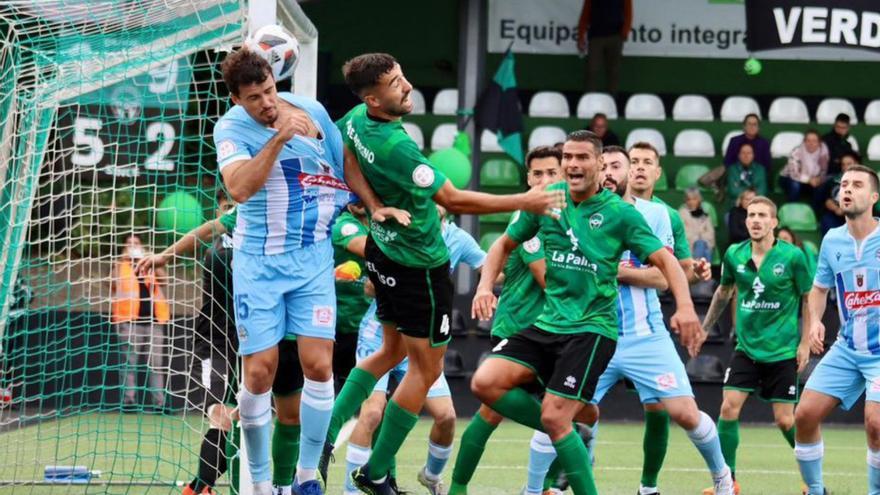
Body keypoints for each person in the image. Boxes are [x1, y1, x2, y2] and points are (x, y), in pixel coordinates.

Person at [325, 52, 562, 494]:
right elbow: (453, 200)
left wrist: (374, 207)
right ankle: (376, 471)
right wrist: (524, 201)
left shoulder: (356, 117)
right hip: (418, 266)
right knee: (426, 369)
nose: (407, 85)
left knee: (392, 350)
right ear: (374, 99)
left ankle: (326, 434)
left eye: (402, 75)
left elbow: (344, 154)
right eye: (396, 83)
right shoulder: (397, 146)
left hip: (385, 252)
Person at [469, 130, 709, 495]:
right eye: (568, 157)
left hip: (592, 330)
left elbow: (667, 262)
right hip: (547, 323)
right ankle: (574, 428)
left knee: (553, 415)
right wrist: (485, 286)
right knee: (484, 383)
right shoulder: (548, 202)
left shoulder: (620, 214)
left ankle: (566, 442)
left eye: (582, 157)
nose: (573, 164)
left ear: (599, 164)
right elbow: (503, 243)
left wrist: (687, 309)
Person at [544, 145, 733, 495]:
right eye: (607, 166)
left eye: (621, 165)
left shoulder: (658, 215)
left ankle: (723, 479)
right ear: (597, 170)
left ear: (632, 173)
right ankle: (545, 486)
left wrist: (617, 271)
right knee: (558, 414)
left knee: (685, 413)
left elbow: (667, 273)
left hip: (645, 335)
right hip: (592, 332)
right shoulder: (574, 212)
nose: (612, 172)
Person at [214, 48, 361, 495]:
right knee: (261, 372)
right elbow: (238, 188)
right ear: (238, 100)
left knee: (319, 365)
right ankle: (258, 485)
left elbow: (345, 166)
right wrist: (278, 138)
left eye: (270, 90)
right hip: (258, 264)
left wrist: (372, 206)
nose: (267, 103)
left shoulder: (312, 109)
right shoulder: (230, 129)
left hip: (313, 258)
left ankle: (306, 476)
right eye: (255, 97)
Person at [342, 205, 486, 495]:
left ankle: (431, 477)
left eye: (440, 197)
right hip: (381, 335)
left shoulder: (458, 239)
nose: (434, 202)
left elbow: (491, 269)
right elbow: (374, 274)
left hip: (420, 344)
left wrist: (499, 275)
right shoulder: (399, 231)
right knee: (372, 413)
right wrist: (376, 282)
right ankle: (352, 489)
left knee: (446, 417)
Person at [447, 145, 562, 495]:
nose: (543, 180)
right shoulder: (523, 217)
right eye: (537, 174)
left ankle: (545, 486)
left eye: (551, 173)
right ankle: (459, 487)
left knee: (497, 414)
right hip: (519, 326)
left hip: (549, 326)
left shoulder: (562, 214)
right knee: (502, 412)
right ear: (527, 178)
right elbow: (548, 279)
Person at [700, 196, 812, 494]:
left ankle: (812, 479)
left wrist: (805, 341)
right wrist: (704, 329)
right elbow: (723, 293)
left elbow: (808, 297)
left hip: (782, 351)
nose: (756, 220)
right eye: (751, 215)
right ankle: (728, 482)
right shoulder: (734, 254)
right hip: (746, 349)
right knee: (727, 409)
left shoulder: (793, 257)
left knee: (785, 419)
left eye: (763, 215)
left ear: (774, 222)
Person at [794, 165, 880, 495]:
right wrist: (815, 320)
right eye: (843, 184)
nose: (847, 189)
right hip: (847, 349)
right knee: (804, 416)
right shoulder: (832, 240)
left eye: (857, 185)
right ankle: (816, 491)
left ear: (873, 197)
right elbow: (818, 289)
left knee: (875, 424)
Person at [111, 234, 168, 411]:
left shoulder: (149, 264)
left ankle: (159, 403)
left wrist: (147, 259)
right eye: (129, 244)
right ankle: (129, 401)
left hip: (153, 322)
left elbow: (165, 280)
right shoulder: (121, 266)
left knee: (155, 364)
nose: (133, 246)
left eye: (136, 244)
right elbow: (110, 283)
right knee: (129, 363)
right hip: (129, 322)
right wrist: (122, 259)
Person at [331, 201, 372, 391]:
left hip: (369, 325)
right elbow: (367, 248)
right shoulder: (343, 225)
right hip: (339, 325)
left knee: (370, 393)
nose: (359, 200)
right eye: (353, 196)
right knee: (332, 388)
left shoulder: (379, 223)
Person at [576, 0, 632, 94]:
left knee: (614, 72)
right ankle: (589, 102)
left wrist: (624, 33)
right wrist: (581, 36)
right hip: (595, 38)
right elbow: (585, 14)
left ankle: (611, 103)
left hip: (615, 37)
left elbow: (628, 13)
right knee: (591, 70)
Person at [778, 130, 830, 203]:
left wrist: (819, 179)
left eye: (814, 141)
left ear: (819, 143)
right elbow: (794, 174)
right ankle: (792, 209)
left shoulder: (823, 152)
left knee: (821, 186)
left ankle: (815, 211)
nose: (811, 143)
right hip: (789, 178)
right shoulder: (797, 151)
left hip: (812, 179)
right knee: (795, 185)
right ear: (804, 142)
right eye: (808, 140)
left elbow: (824, 170)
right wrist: (809, 180)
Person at [817, 151, 859, 235]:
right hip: (836, 214)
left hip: (857, 215)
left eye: (849, 164)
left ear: (856, 164)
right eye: (843, 164)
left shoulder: (865, 181)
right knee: (827, 220)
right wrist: (835, 208)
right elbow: (826, 199)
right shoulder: (833, 180)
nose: (845, 167)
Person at [725, 143, 767, 208]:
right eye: (743, 153)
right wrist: (751, 191)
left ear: (753, 155)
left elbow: (762, 190)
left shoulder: (760, 169)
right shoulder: (732, 169)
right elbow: (732, 190)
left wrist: (746, 194)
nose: (746, 155)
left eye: (749, 153)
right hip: (736, 204)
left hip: (756, 204)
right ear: (739, 155)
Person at [679, 188, 715, 262]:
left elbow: (711, 233)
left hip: (705, 243)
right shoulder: (682, 213)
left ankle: (698, 269)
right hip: (689, 245)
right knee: (700, 244)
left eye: (694, 199)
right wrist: (699, 235)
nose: (691, 202)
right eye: (689, 199)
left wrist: (700, 236)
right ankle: (701, 269)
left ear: (699, 199)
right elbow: (683, 232)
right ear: (685, 201)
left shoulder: (704, 214)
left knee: (703, 245)